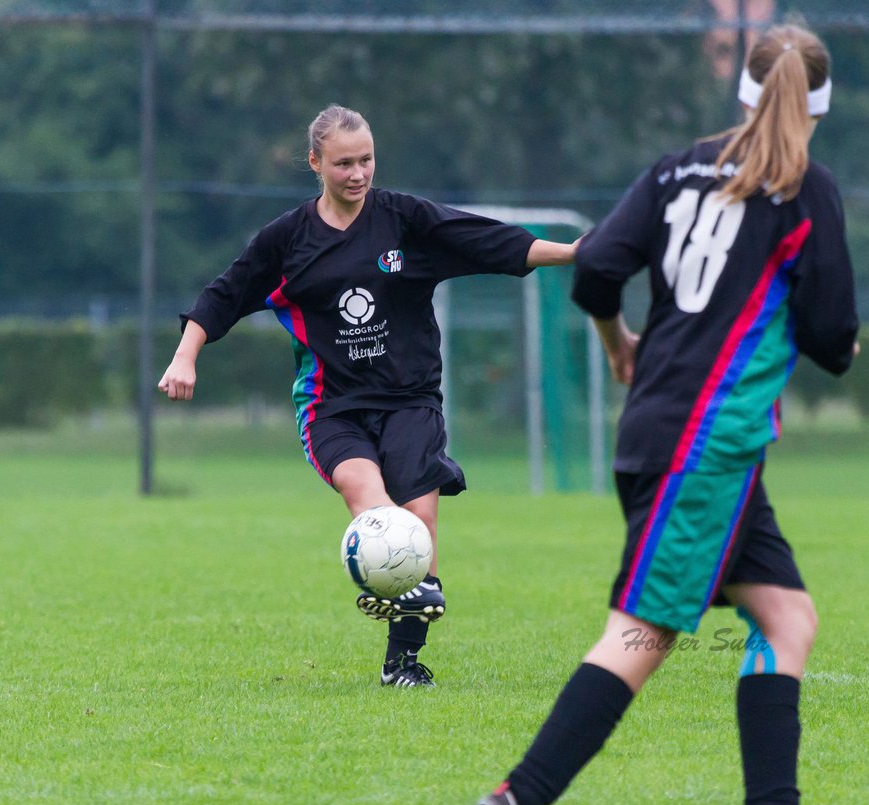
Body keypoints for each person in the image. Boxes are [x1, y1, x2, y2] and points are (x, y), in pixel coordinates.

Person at [468, 24, 864, 805]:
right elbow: (832, 339)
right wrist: (839, 341)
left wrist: (619, 345)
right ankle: (517, 804)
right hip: (704, 449)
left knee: (787, 619)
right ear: (817, 108)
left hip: (669, 433)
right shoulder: (807, 188)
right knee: (641, 635)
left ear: (745, 94)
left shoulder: (677, 167)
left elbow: (599, 269)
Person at [159, 104, 580, 689]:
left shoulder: (404, 219)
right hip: (332, 407)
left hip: (411, 399)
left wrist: (574, 252)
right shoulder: (288, 240)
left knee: (420, 520)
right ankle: (398, 585)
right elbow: (222, 295)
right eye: (343, 163)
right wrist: (186, 356)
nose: (358, 174)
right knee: (375, 503)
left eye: (366, 160)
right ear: (315, 163)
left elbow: (486, 241)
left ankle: (401, 662)